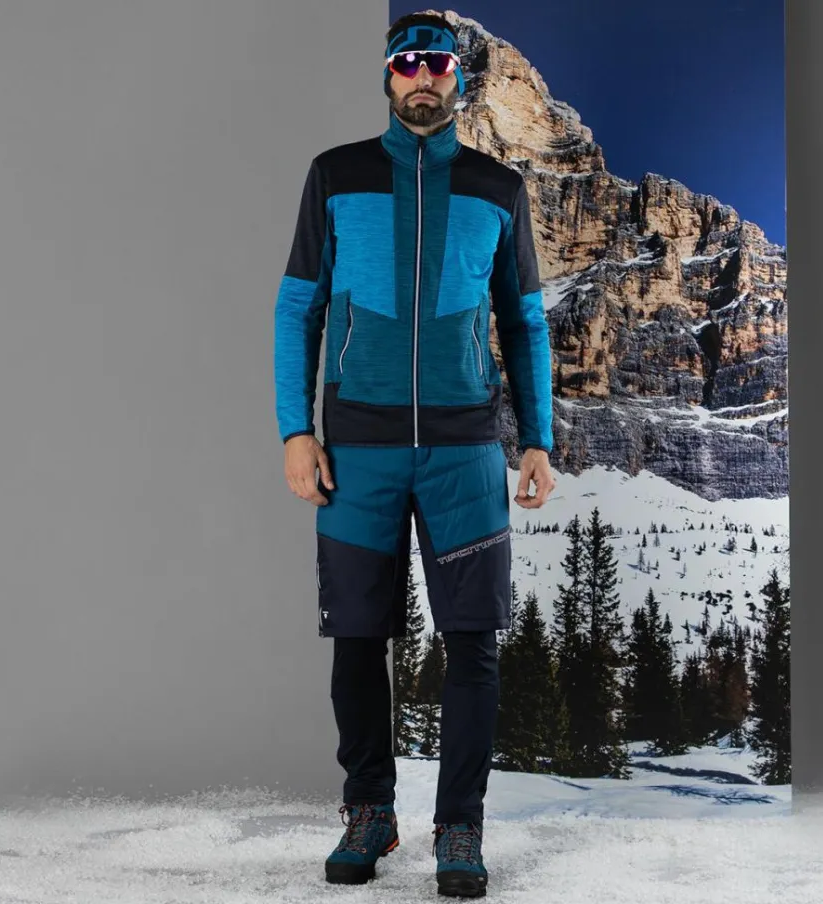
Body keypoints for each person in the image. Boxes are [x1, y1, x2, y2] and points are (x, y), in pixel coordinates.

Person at [274, 11, 555, 899]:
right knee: (358, 636)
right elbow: (298, 308)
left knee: (472, 640)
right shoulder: (337, 174)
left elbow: (525, 321)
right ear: (389, 78)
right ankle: (370, 811)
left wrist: (538, 438)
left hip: (466, 445)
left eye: (437, 63)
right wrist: (294, 430)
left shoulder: (497, 188)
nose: (423, 77)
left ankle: (460, 827)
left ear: (458, 79)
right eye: (407, 64)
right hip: (357, 444)